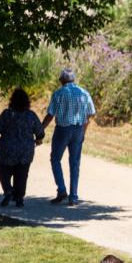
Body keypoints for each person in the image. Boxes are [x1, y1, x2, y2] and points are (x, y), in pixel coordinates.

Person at [41, 68, 96, 207]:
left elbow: (50, 115)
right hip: (78, 129)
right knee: (75, 163)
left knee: (55, 159)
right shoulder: (84, 93)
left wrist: (40, 130)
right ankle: (74, 196)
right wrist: (84, 130)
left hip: (63, 129)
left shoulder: (59, 93)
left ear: (62, 80)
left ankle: (61, 190)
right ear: (73, 80)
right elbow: (91, 113)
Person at [0, 87, 45, 208]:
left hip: (6, 150)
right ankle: (19, 198)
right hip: (25, 151)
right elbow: (40, 132)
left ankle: (8, 190)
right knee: (22, 175)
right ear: (27, 102)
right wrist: (39, 139)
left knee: (3, 171)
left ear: (12, 101)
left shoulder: (7, 114)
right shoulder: (31, 116)